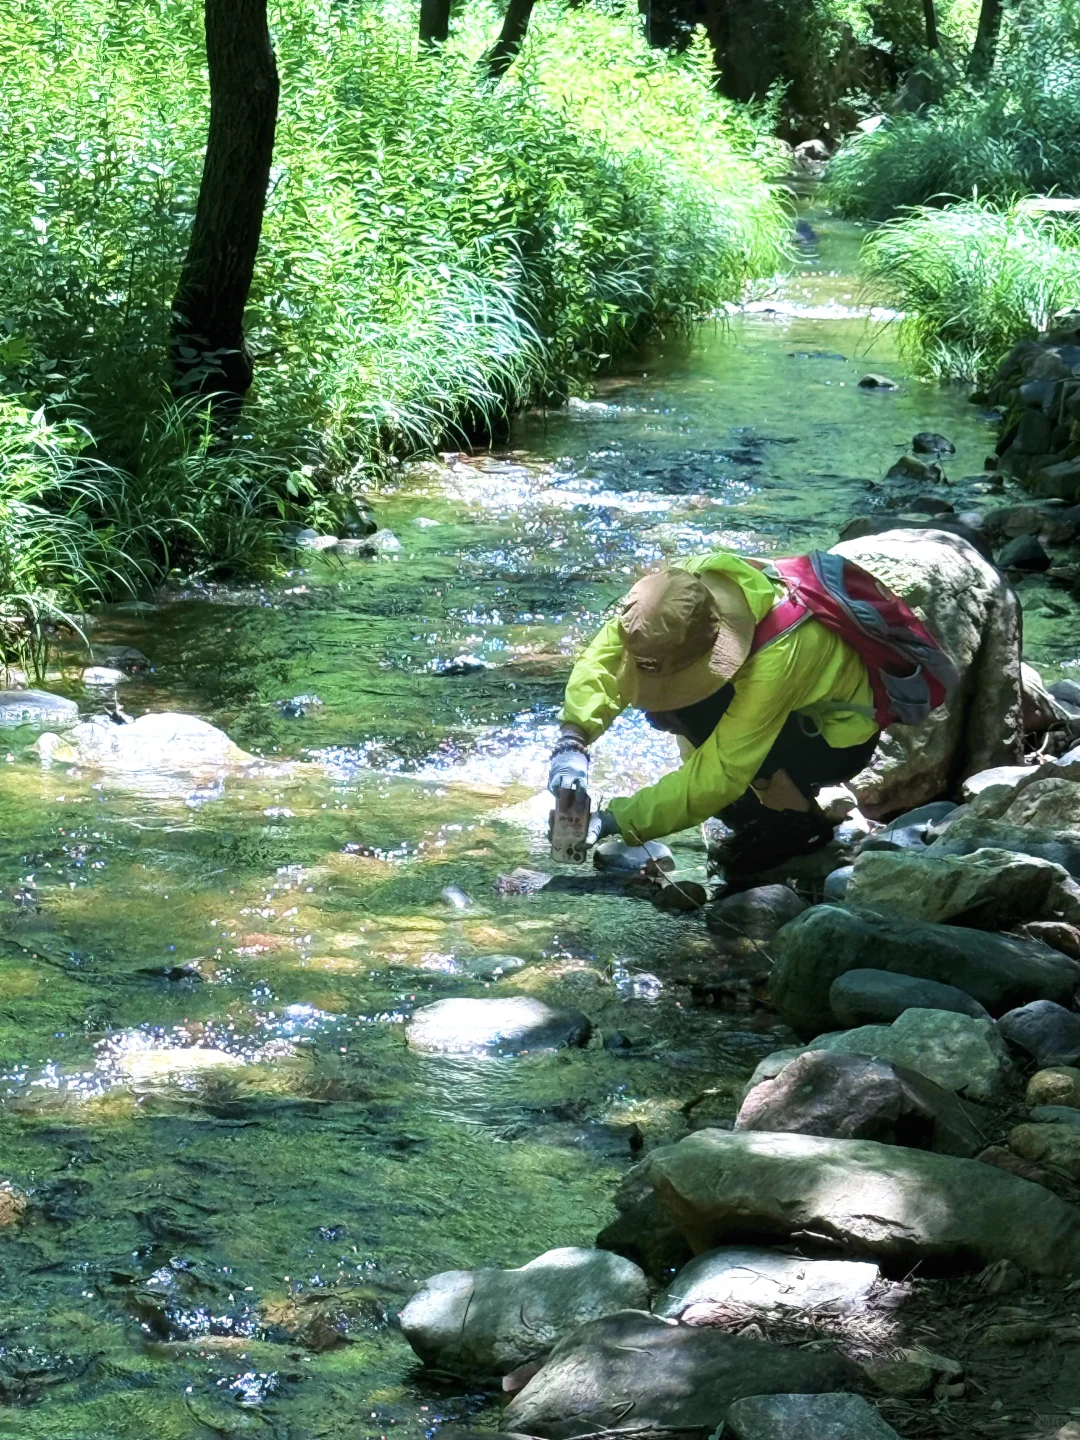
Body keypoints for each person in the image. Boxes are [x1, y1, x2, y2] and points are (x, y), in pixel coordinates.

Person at [547, 549, 890, 876]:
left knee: (693, 715)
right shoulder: (676, 597)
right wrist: (573, 739)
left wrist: (615, 820)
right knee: (680, 709)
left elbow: (721, 771)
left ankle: (796, 824)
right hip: (792, 711)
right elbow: (604, 657)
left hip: (836, 739)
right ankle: (759, 807)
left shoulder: (780, 653)